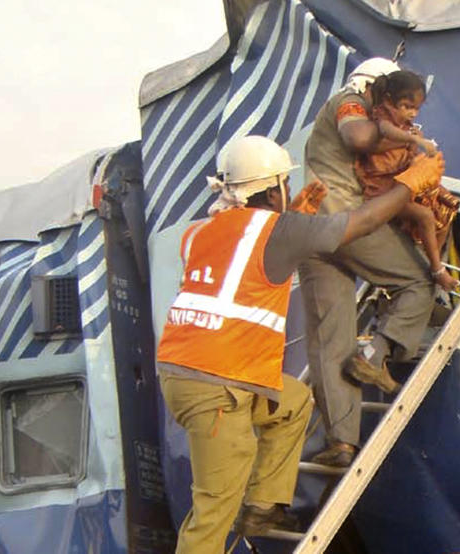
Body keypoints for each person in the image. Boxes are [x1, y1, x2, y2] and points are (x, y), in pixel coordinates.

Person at [155, 134, 440, 553]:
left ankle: (264, 506)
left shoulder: (202, 233)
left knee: (293, 404)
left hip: (198, 375)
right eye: (284, 184)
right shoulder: (280, 229)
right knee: (214, 510)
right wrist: (411, 183)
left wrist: (294, 218)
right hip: (217, 385)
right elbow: (360, 223)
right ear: (274, 190)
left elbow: (246, 265)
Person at [299, 58, 445, 467]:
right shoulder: (350, 103)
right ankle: (376, 353)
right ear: (374, 90)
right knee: (418, 280)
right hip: (342, 221)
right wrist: (416, 165)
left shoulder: (334, 124)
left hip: (311, 230)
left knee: (330, 342)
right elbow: (360, 137)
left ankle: (342, 443)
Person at [354, 69, 460, 292]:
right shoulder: (382, 118)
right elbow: (387, 132)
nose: (412, 113)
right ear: (390, 101)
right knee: (425, 216)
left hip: (400, 181)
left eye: (416, 109)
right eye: (406, 107)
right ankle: (436, 268)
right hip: (382, 190)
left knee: (445, 205)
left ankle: (429, 254)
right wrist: (414, 140)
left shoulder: (404, 126)